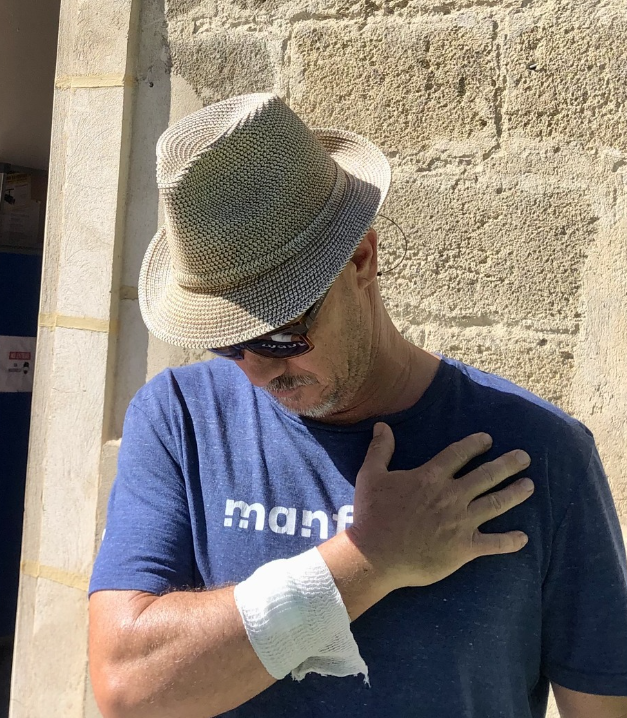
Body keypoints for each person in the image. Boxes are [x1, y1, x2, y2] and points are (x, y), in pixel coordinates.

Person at [87, 93, 627, 718]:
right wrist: (369, 559)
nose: (258, 372)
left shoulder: (539, 451)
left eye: (281, 335)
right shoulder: (179, 418)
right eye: (228, 344)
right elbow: (128, 686)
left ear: (362, 259)